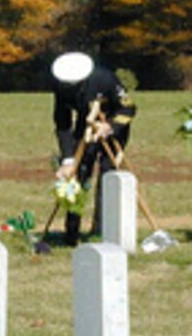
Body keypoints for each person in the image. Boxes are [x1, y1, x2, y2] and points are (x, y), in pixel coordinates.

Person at [51, 52, 136, 246]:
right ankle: (71, 231)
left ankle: (102, 228)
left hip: (112, 125)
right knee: (78, 175)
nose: (69, 88)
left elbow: (128, 108)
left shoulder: (105, 79)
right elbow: (62, 121)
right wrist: (67, 158)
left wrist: (111, 127)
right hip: (86, 126)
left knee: (108, 177)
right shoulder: (60, 85)